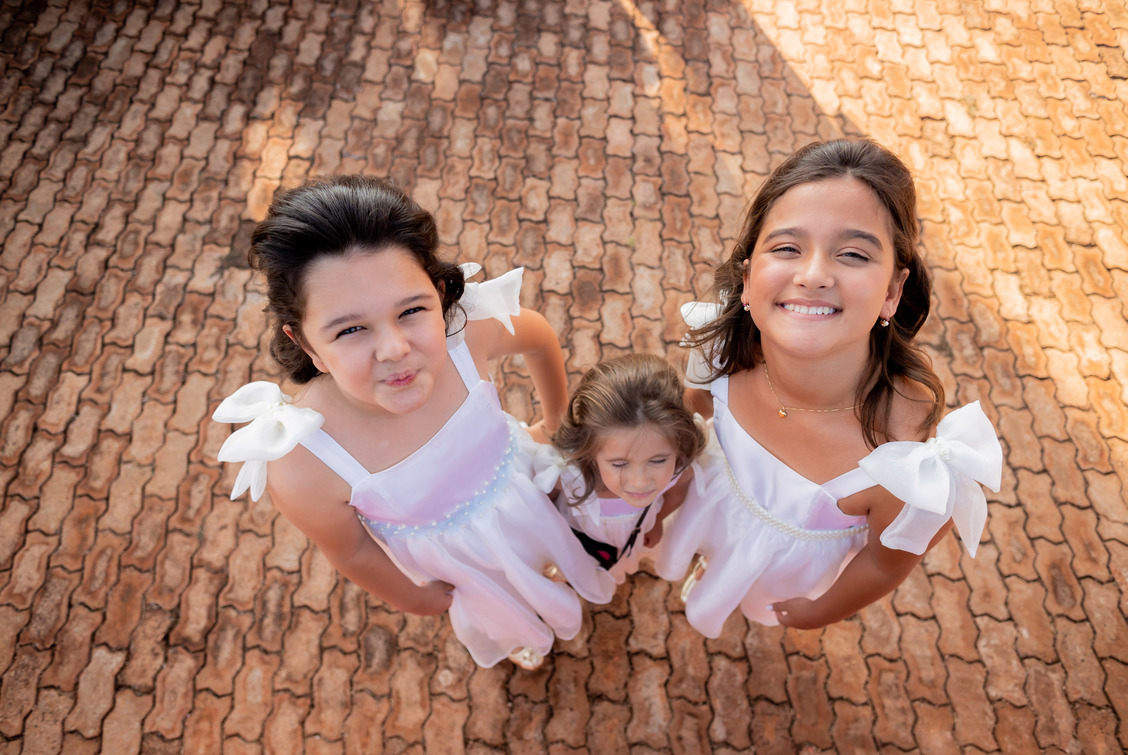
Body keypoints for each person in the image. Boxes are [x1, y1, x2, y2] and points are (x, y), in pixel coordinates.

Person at [212, 176, 615, 669]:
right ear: (306, 344)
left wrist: (557, 424)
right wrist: (416, 598)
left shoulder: (468, 336)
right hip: (464, 563)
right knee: (506, 602)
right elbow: (352, 552)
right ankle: (518, 626)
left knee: (557, 548)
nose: (394, 349)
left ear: (440, 296)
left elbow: (539, 338)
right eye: (351, 329)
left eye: (411, 310)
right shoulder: (305, 460)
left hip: (529, 490)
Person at [656, 138, 1003, 638]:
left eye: (853, 254)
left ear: (892, 291)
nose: (814, 275)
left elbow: (884, 564)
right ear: (748, 278)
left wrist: (821, 611)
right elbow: (692, 424)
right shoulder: (720, 348)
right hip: (707, 512)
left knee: (748, 593)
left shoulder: (910, 461)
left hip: (781, 575)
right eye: (787, 248)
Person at [546, 354, 706, 584]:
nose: (640, 482)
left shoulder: (681, 468)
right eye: (619, 464)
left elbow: (675, 494)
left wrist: (658, 520)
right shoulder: (568, 478)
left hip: (637, 533)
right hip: (583, 539)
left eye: (658, 461)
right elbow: (545, 507)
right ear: (590, 452)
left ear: (679, 445)